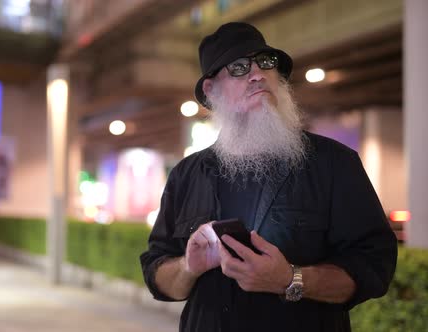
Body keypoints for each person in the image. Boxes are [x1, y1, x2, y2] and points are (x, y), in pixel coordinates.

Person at [139, 22, 398, 332]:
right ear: (211, 89)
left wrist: (291, 279)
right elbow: (159, 276)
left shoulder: (335, 164)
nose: (258, 73)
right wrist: (188, 267)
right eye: (238, 67)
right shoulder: (187, 174)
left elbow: (373, 268)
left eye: (265, 62)